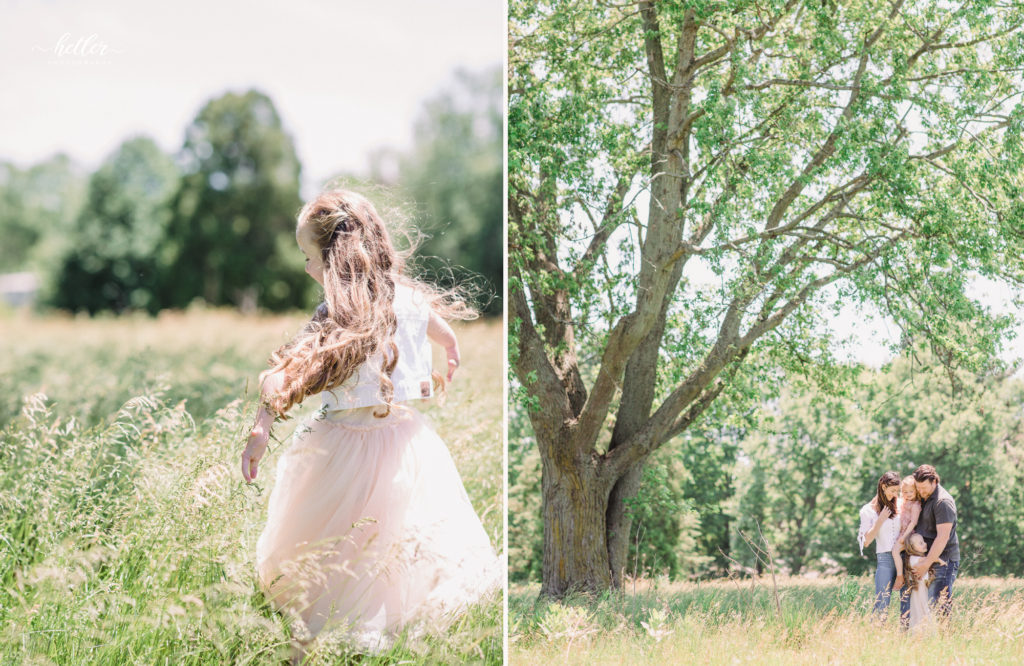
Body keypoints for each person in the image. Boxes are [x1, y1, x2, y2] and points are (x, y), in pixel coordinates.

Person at [240, 189, 501, 657]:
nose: (306, 268)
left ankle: (331, 643)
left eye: (309, 256)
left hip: (344, 449)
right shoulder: (394, 304)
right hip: (401, 442)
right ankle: (361, 639)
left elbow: (282, 375)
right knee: (373, 549)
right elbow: (437, 326)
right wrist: (452, 349)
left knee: (350, 551)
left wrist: (262, 427)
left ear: (335, 258)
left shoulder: (338, 315)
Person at [902, 464, 959, 622]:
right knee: (924, 606)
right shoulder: (923, 496)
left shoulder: (943, 502)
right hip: (926, 559)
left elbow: (942, 537)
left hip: (943, 560)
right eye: (918, 488)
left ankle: (944, 641)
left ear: (934, 481)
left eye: (924, 488)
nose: (921, 492)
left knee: (939, 604)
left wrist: (926, 563)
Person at [857, 471, 902, 617]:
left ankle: (907, 634)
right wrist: (880, 520)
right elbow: (866, 541)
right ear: (883, 487)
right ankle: (876, 634)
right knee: (882, 602)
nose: (895, 494)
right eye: (892, 490)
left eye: (897, 491)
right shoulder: (868, 510)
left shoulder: (901, 504)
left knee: (908, 600)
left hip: (905, 556)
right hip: (885, 559)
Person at [896, 532, 944, 632]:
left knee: (919, 609)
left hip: (920, 589)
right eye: (920, 543)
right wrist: (940, 560)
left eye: (923, 542)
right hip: (919, 589)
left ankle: (921, 630)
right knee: (922, 609)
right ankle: (923, 631)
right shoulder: (915, 559)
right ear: (912, 547)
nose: (925, 544)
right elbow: (931, 558)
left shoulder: (914, 559)